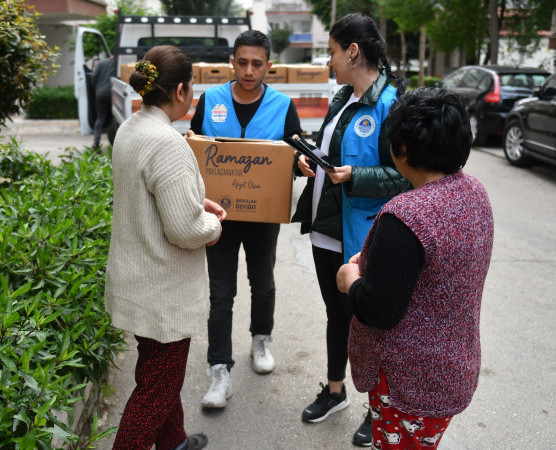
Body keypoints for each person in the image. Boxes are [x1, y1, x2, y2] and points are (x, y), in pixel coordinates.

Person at [336, 87, 494, 449]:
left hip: (408, 382)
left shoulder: (407, 214)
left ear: (401, 150)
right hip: (451, 368)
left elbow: (379, 309)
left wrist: (351, 281)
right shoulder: (474, 192)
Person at [290, 13, 411, 447]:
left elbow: (408, 176)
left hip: (364, 234)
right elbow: (330, 151)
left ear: (353, 52)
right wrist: (309, 159)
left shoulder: (392, 105)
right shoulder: (342, 97)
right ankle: (335, 391)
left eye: (333, 52)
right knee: (335, 313)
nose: (329, 61)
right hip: (327, 227)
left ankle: (375, 409)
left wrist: (355, 176)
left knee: (368, 323)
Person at [105, 45, 225, 450]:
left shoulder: (131, 128)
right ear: (179, 91)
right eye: (191, 88)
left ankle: (174, 442)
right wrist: (212, 224)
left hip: (138, 281)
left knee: (160, 376)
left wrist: (195, 202)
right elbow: (185, 230)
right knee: (155, 389)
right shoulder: (168, 143)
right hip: (163, 292)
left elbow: (151, 196)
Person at [187, 29, 302, 410]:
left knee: (263, 282)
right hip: (217, 215)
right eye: (242, 62)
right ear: (231, 63)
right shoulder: (212, 100)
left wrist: (300, 163)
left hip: (261, 216)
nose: (249, 71)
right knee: (221, 292)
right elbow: (196, 152)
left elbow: (293, 158)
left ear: (269, 65)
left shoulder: (283, 106)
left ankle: (260, 339)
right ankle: (219, 370)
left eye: (257, 64)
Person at [91, 57, 115, 149]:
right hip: (112, 93)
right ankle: (114, 139)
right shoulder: (117, 63)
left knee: (100, 118)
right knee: (114, 117)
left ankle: (96, 143)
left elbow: (94, 77)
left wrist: (96, 89)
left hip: (100, 93)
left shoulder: (101, 62)